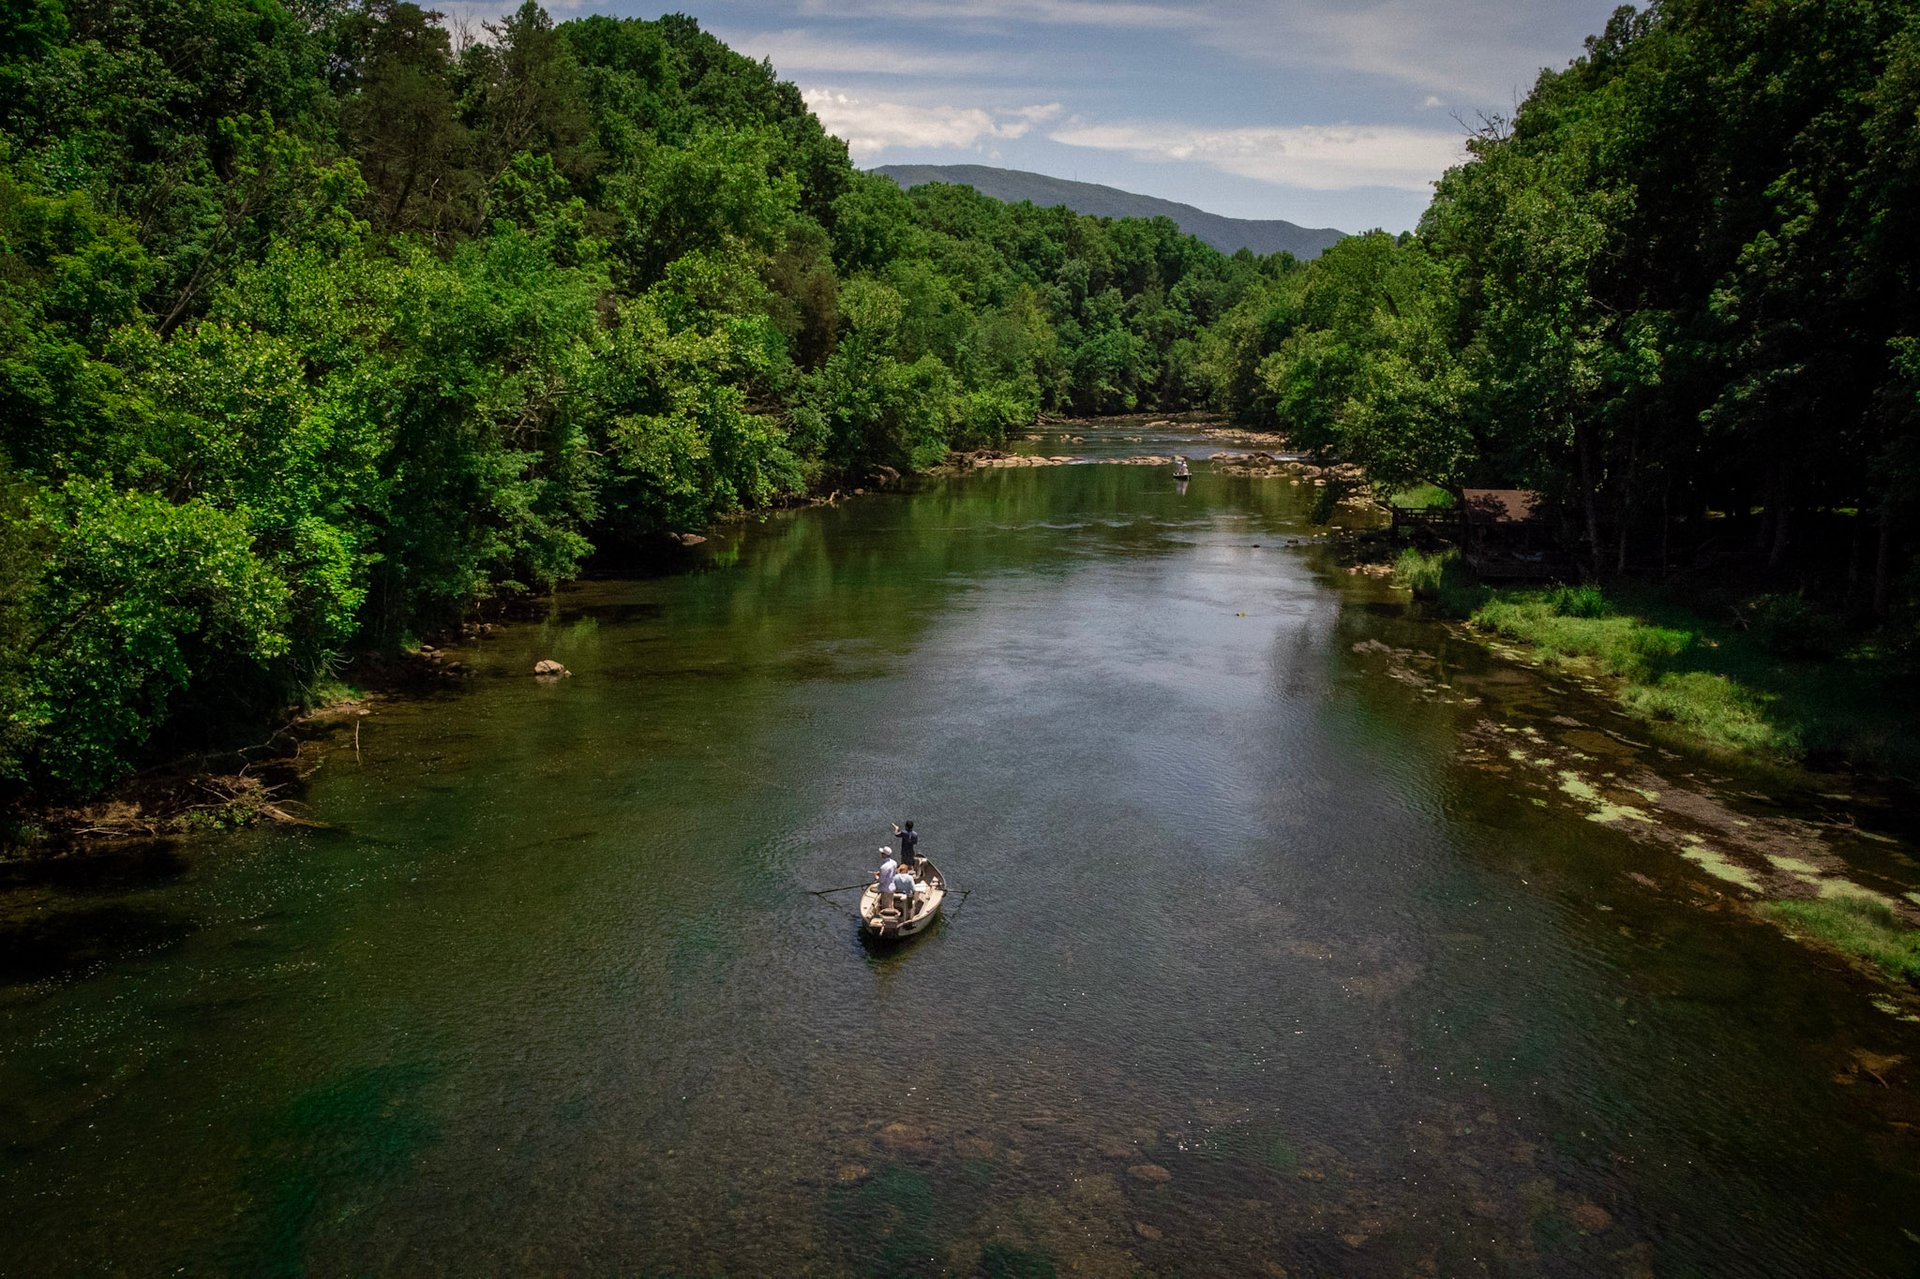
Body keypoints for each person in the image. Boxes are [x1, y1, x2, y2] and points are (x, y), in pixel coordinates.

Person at [874, 846, 898, 914]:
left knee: (886, 907)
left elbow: (881, 881)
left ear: (884, 855)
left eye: (882, 853)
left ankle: (887, 920)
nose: (880, 854)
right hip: (892, 887)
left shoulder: (883, 867)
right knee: (891, 903)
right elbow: (892, 873)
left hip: (885, 889)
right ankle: (892, 914)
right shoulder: (894, 862)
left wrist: (876, 877)